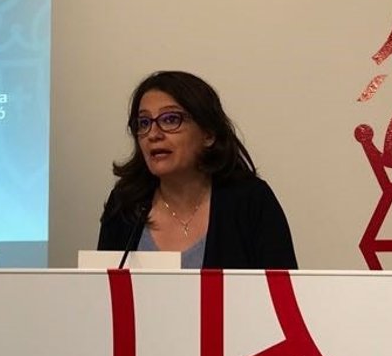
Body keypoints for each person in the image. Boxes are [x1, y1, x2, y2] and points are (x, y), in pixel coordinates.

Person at [97, 70, 297, 269]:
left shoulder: (250, 201)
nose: (153, 134)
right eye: (144, 123)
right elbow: (101, 286)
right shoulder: (125, 204)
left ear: (208, 134)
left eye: (170, 119)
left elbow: (281, 287)